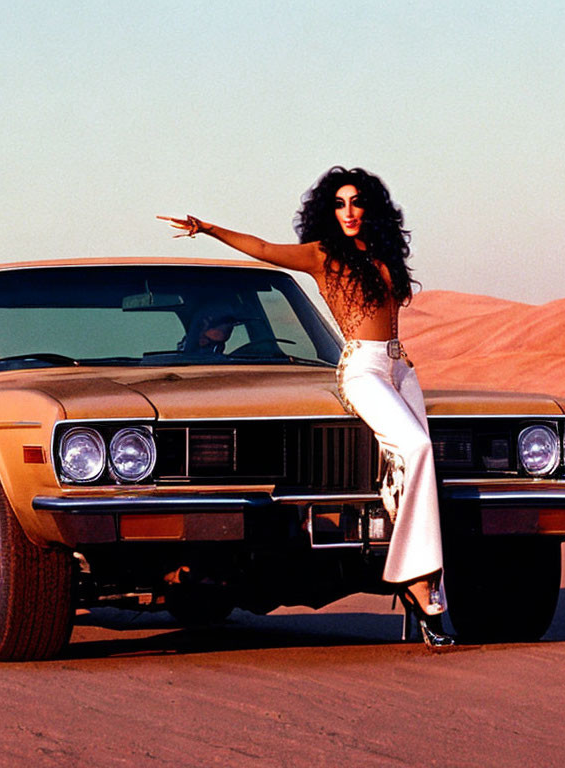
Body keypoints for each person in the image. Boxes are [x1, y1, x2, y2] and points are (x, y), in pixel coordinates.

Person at [158, 166, 454, 650]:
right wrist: (209, 229)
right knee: (417, 447)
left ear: (371, 207)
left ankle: (420, 568)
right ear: (327, 211)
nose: (349, 212)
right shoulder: (322, 256)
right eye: (339, 204)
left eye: (357, 202)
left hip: (402, 369)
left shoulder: (383, 254)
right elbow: (264, 248)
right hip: (362, 369)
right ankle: (419, 586)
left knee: (422, 473)